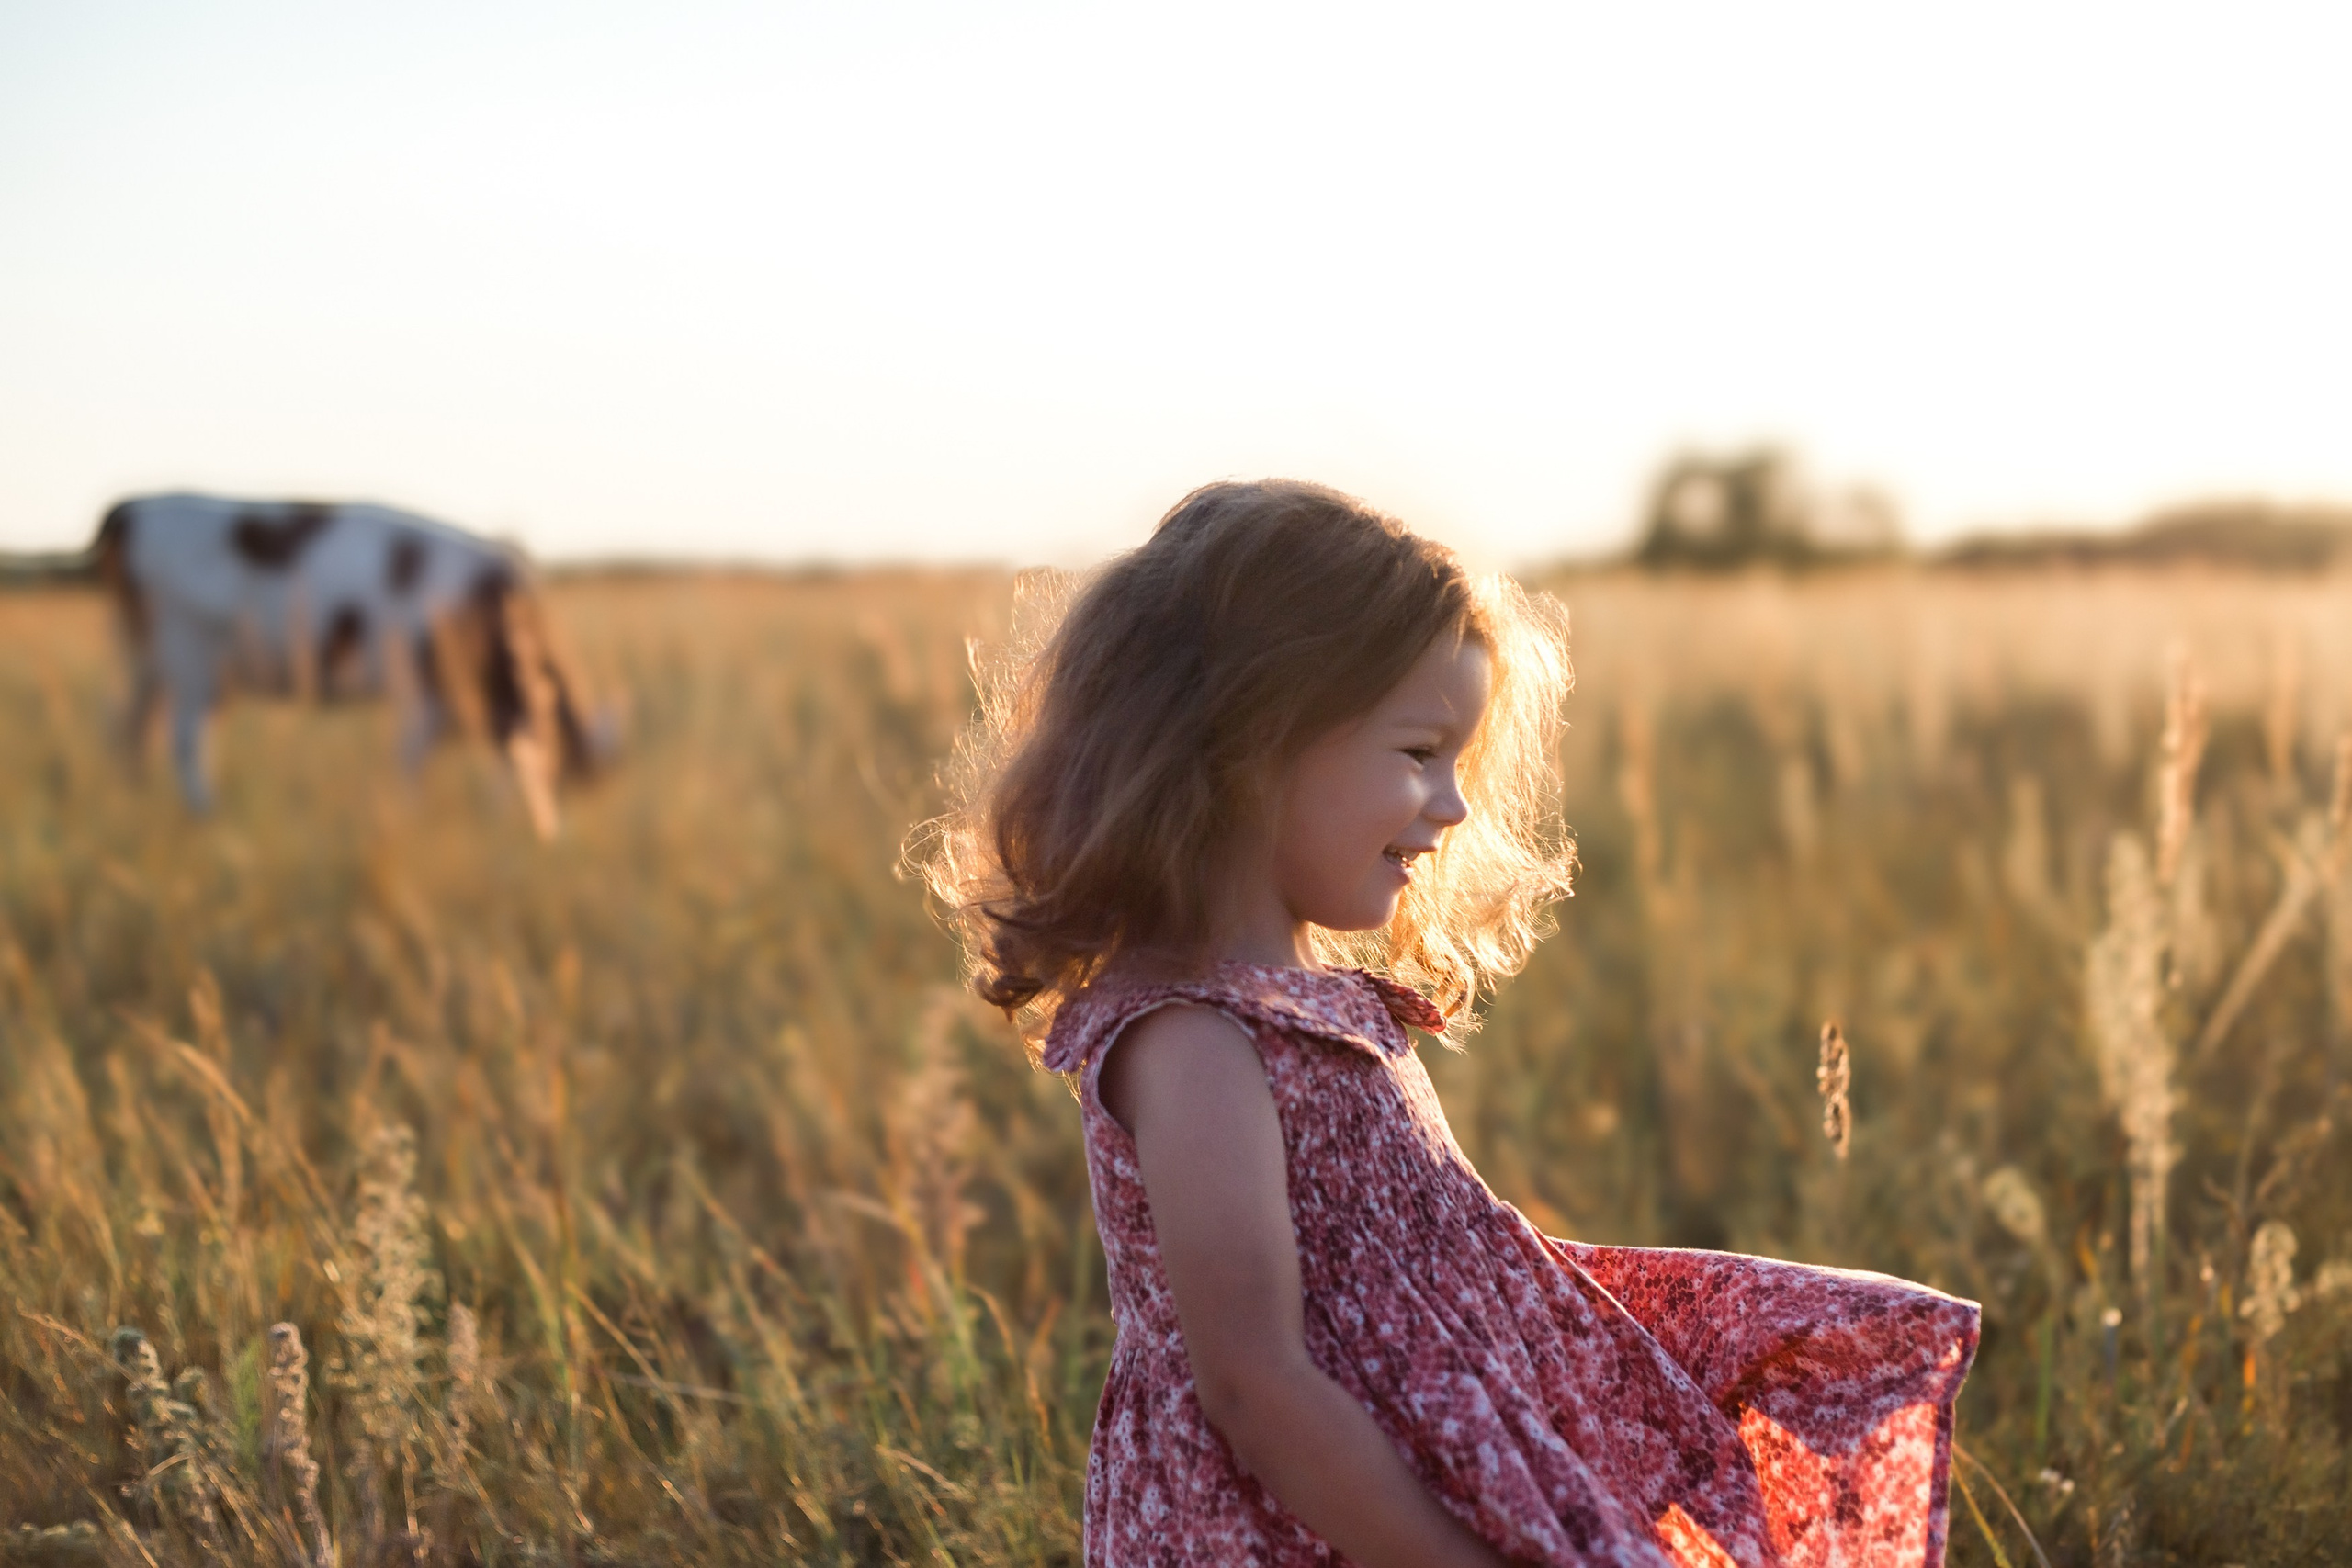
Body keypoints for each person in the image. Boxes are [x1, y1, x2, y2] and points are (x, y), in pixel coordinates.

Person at [916, 480, 1978, 1567]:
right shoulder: (1195, 1043)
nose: (1453, 806)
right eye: (1419, 754)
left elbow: (1433, 1270)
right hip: (1295, 1532)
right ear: (1246, 747)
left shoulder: (1308, 1004)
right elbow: (1253, 1384)